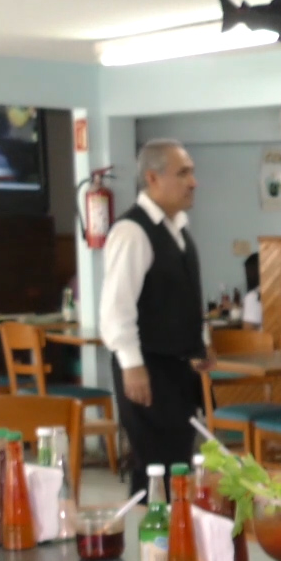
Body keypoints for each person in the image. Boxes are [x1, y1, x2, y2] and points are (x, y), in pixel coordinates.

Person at [100, 138, 212, 496]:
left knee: (176, 462)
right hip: (146, 367)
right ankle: (148, 540)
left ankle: (173, 542)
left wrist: (201, 341)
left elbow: (181, 294)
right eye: (183, 173)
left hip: (177, 368)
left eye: (191, 172)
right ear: (152, 178)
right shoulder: (132, 232)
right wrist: (132, 364)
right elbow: (117, 308)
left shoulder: (177, 228)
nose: (192, 182)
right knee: (155, 466)